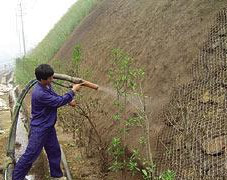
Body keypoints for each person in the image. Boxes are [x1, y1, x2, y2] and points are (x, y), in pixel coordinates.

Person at [12, 64, 81, 180]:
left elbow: (54, 98)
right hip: (40, 129)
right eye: (50, 78)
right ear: (42, 79)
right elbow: (57, 101)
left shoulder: (47, 86)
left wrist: (68, 101)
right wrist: (72, 91)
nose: (52, 80)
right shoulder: (40, 93)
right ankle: (16, 177)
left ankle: (57, 175)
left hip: (48, 126)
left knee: (54, 151)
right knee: (31, 155)